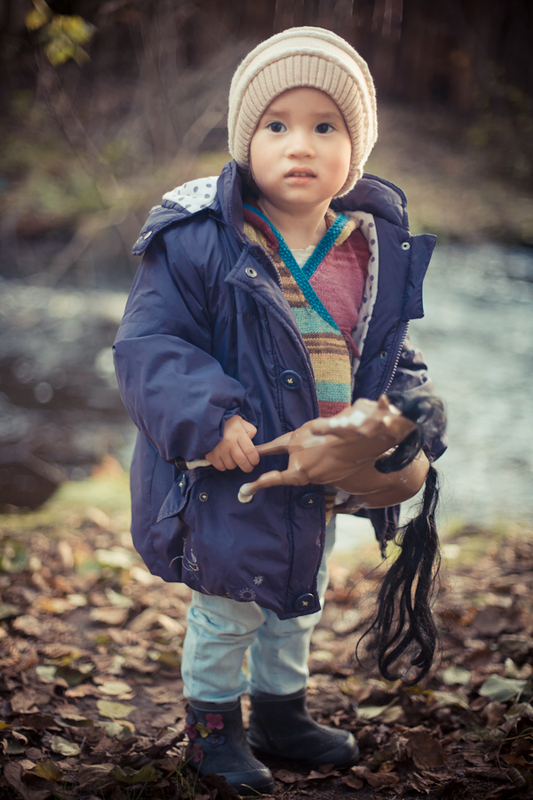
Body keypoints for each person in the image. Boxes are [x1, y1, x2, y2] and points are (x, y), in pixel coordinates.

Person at [113, 27, 447, 795]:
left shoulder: (368, 249)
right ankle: (211, 731)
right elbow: (150, 345)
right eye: (276, 125)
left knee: (298, 599)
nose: (300, 144)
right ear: (245, 143)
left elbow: (391, 355)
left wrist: (412, 419)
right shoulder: (201, 240)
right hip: (230, 472)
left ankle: (279, 712)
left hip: (320, 473)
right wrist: (211, 419)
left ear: (354, 150)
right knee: (229, 610)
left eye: (324, 126)